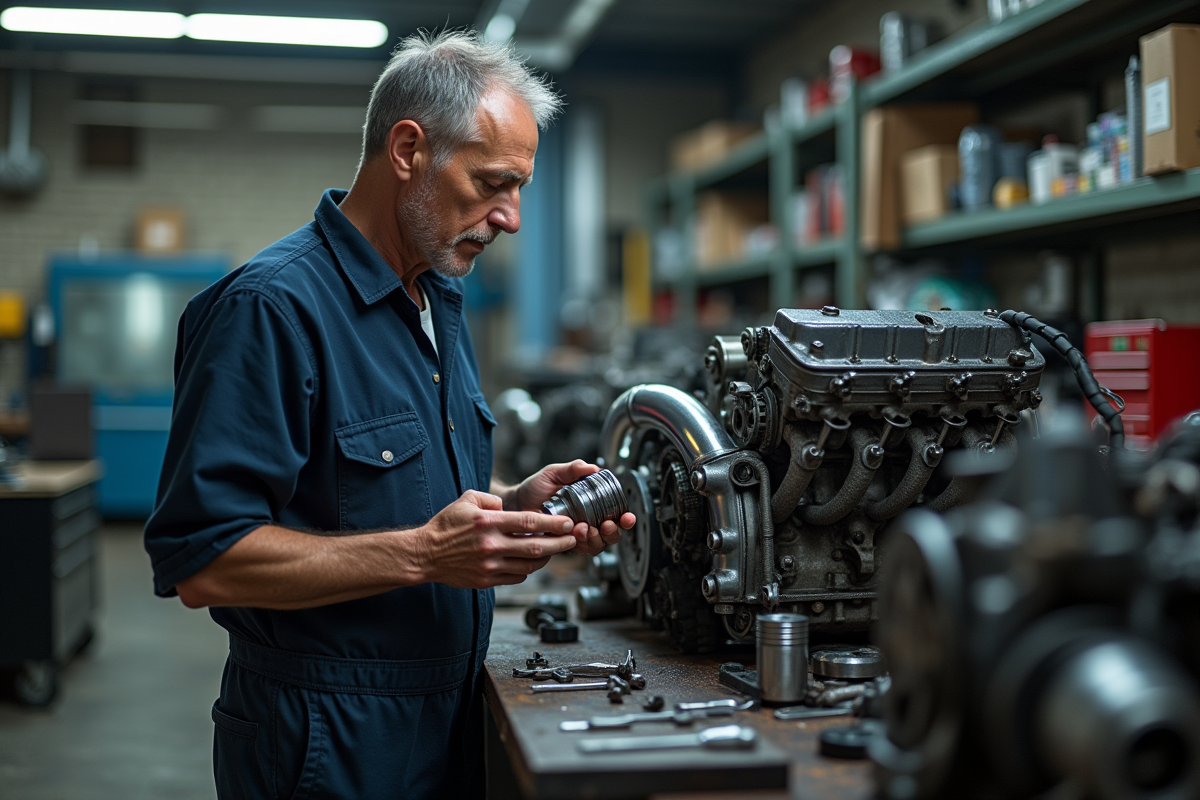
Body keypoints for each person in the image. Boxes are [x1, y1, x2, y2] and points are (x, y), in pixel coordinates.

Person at [143, 29, 634, 800]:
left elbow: (383, 491)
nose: (509, 218)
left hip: (444, 714)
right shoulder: (270, 309)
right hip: (326, 737)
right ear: (408, 149)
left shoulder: (436, 297)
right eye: (492, 183)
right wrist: (426, 555)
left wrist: (509, 511)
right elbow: (204, 560)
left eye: (520, 190)